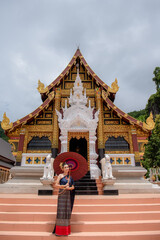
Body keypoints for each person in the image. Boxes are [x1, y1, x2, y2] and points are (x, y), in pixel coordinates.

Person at [52, 162, 75, 236]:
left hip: (68, 195)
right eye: (65, 167)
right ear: (62, 168)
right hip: (62, 195)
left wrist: (70, 188)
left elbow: (73, 187)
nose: (67, 168)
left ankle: (66, 231)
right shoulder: (60, 176)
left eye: (68, 167)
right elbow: (56, 184)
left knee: (67, 211)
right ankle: (59, 231)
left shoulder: (70, 177)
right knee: (61, 211)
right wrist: (63, 186)